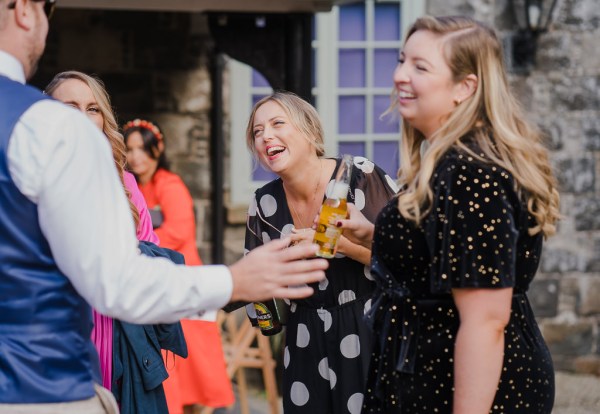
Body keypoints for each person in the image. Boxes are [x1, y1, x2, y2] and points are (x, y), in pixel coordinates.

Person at [0, 1, 327, 411]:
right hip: (41, 378)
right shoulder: (47, 127)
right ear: (25, 11)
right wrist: (233, 280)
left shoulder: (139, 180)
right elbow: (116, 279)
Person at [336, 15, 561, 414]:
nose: (401, 75)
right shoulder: (444, 158)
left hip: (460, 387)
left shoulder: (470, 172)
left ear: (464, 87)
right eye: (402, 59)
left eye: (420, 67)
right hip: (420, 373)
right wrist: (375, 236)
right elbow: (440, 257)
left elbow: (486, 321)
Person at [242, 91, 398, 414]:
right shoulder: (263, 204)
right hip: (303, 338)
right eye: (258, 132)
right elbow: (260, 299)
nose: (266, 136)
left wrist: (339, 245)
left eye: (277, 124)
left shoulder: (359, 177)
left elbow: (404, 260)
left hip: (367, 328)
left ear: (310, 131)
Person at [45, 71, 191, 414]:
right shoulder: (31, 177)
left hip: (118, 333)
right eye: (70, 106)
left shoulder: (124, 183)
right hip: (58, 334)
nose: (83, 116)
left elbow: (149, 254)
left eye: (93, 108)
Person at [123, 119, 235, 413]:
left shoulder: (169, 185)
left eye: (142, 149)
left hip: (179, 278)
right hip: (152, 278)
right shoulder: (133, 187)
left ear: (157, 149)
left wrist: (137, 247)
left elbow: (179, 231)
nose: (136, 156)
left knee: (188, 365)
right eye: (130, 149)